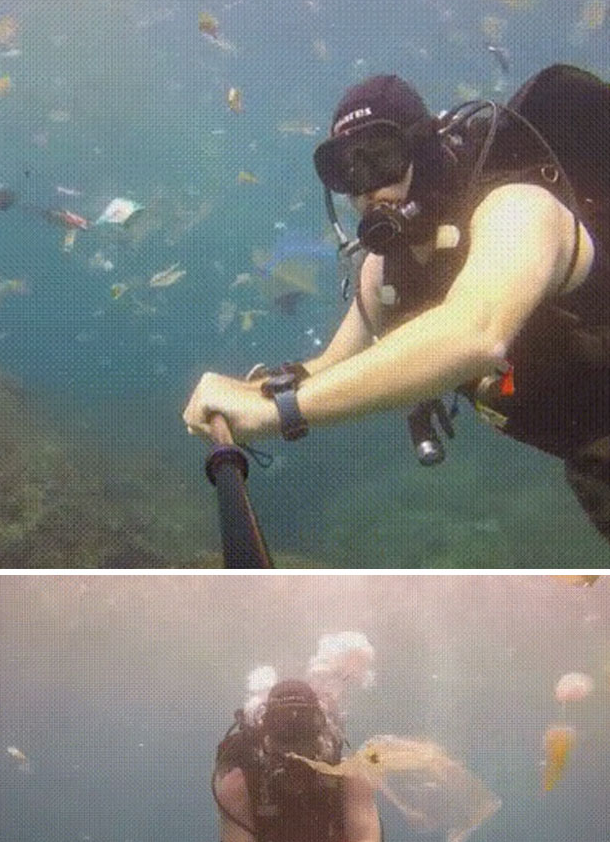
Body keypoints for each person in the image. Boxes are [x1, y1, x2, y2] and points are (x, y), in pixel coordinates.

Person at [183, 66, 610, 545]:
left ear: (424, 147)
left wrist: (277, 412)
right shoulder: (383, 269)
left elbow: (474, 333)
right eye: (344, 169)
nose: (365, 187)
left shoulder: (519, 207)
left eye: (380, 157)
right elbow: (330, 366)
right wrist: (249, 393)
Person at [212, 678, 382, 842]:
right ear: (265, 734)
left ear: (321, 733)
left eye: (302, 739)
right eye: (285, 739)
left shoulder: (350, 775)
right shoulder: (238, 781)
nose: (293, 756)